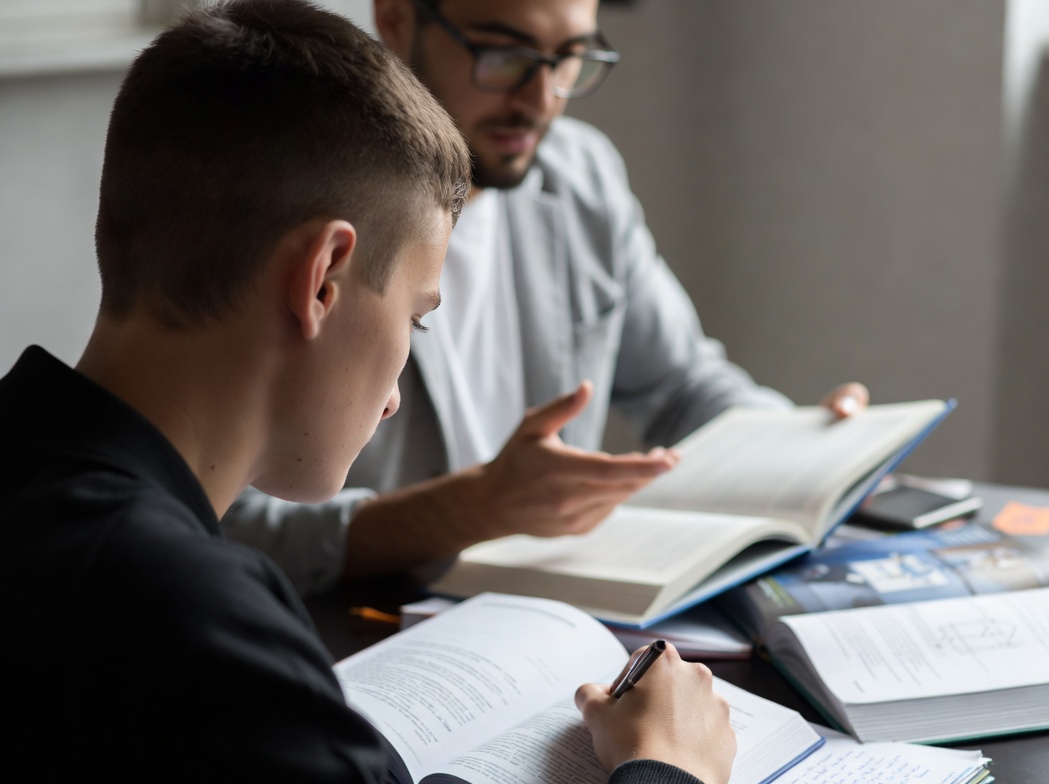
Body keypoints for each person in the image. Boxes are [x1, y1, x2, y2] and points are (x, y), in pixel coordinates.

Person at [0, 1, 734, 781]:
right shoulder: (195, 623)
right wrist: (667, 765)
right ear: (321, 282)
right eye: (418, 318)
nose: (394, 397)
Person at [223, 0, 870, 596]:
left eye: (569, 60)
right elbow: (223, 519)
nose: (542, 99)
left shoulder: (581, 175)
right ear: (395, 17)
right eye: (505, 57)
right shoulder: (300, 202)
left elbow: (681, 385)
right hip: (361, 636)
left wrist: (802, 446)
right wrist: (469, 509)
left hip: (559, 623)